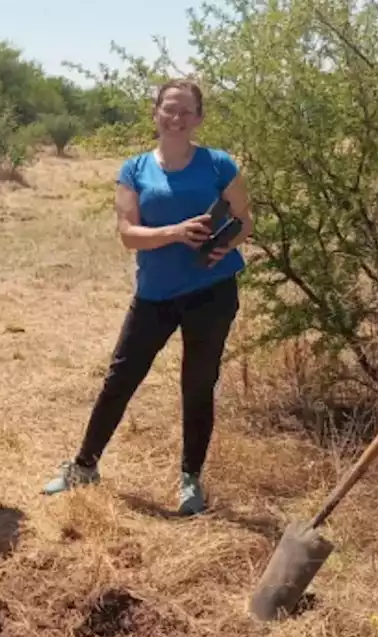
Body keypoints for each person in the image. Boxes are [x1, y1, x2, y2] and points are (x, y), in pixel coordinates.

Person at [41, 79, 254, 516]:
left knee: (198, 385)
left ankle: (191, 480)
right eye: (169, 109)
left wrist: (226, 244)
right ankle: (85, 466)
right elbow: (127, 235)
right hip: (155, 294)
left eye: (186, 111)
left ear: (199, 118)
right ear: (155, 112)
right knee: (120, 379)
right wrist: (175, 233)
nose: (177, 119)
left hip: (211, 291)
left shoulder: (219, 164)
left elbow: (244, 219)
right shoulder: (135, 169)